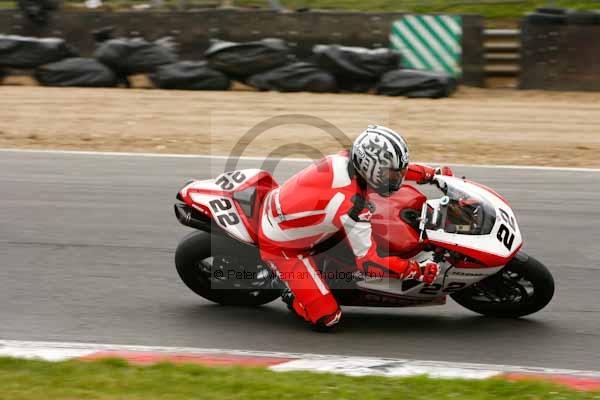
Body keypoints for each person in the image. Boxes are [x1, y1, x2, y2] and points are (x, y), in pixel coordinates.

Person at [257, 125, 453, 331]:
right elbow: (370, 263)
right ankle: (289, 291)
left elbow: (397, 169)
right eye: (391, 175)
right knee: (328, 318)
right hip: (283, 246)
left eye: (397, 173)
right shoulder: (352, 205)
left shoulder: (349, 159)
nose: (397, 180)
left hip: (295, 212)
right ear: (370, 168)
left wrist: (432, 174)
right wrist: (416, 270)